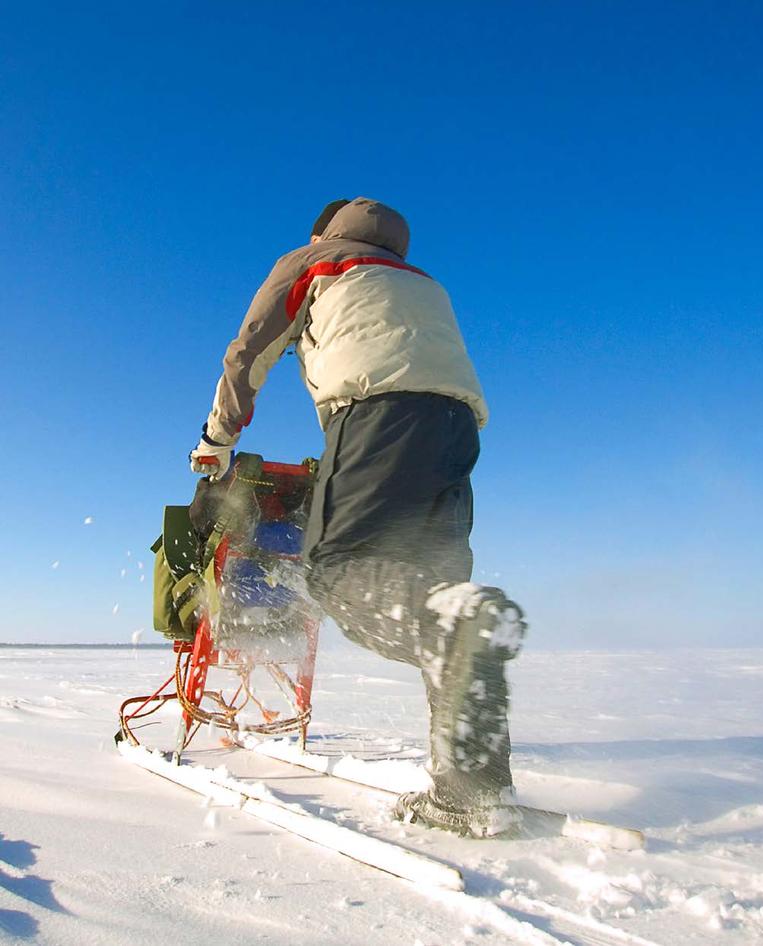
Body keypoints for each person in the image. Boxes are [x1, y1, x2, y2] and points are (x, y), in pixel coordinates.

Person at [189, 197, 526, 836]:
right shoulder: (421, 282)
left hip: (377, 413)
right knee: (440, 598)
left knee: (337, 573)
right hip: (456, 430)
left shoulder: (314, 260)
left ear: (324, 230)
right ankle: (473, 791)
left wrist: (216, 440)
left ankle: (458, 627)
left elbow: (248, 354)